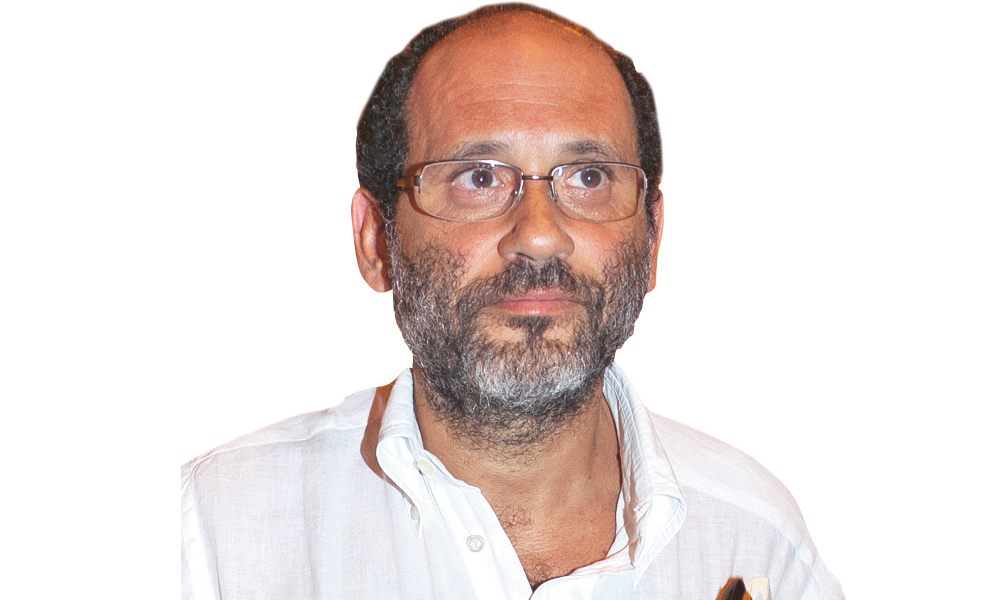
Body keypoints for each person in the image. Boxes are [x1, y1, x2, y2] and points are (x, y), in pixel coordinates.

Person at [181, 4, 844, 599]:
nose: (538, 234)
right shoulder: (214, 538)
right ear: (376, 239)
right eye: (478, 178)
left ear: (653, 238)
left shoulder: (755, 541)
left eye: (589, 178)